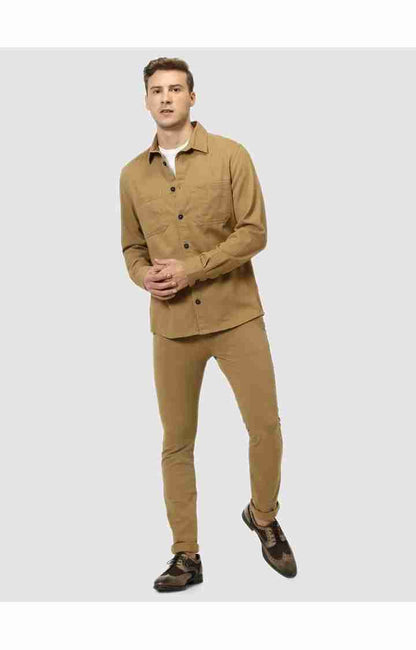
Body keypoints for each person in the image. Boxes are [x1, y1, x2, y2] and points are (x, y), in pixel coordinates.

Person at [119, 57, 297, 591]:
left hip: (236, 315)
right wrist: (144, 277)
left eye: (176, 89)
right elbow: (131, 248)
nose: (166, 98)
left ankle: (262, 516)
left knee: (264, 426)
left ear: (192, 97)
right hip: (172, 326)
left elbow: (254, 231)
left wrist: (191, 269)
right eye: (157, 90)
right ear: (146, 101)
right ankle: (186, 554)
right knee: (176, 442)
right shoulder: (131, 175)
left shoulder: (231, 155)